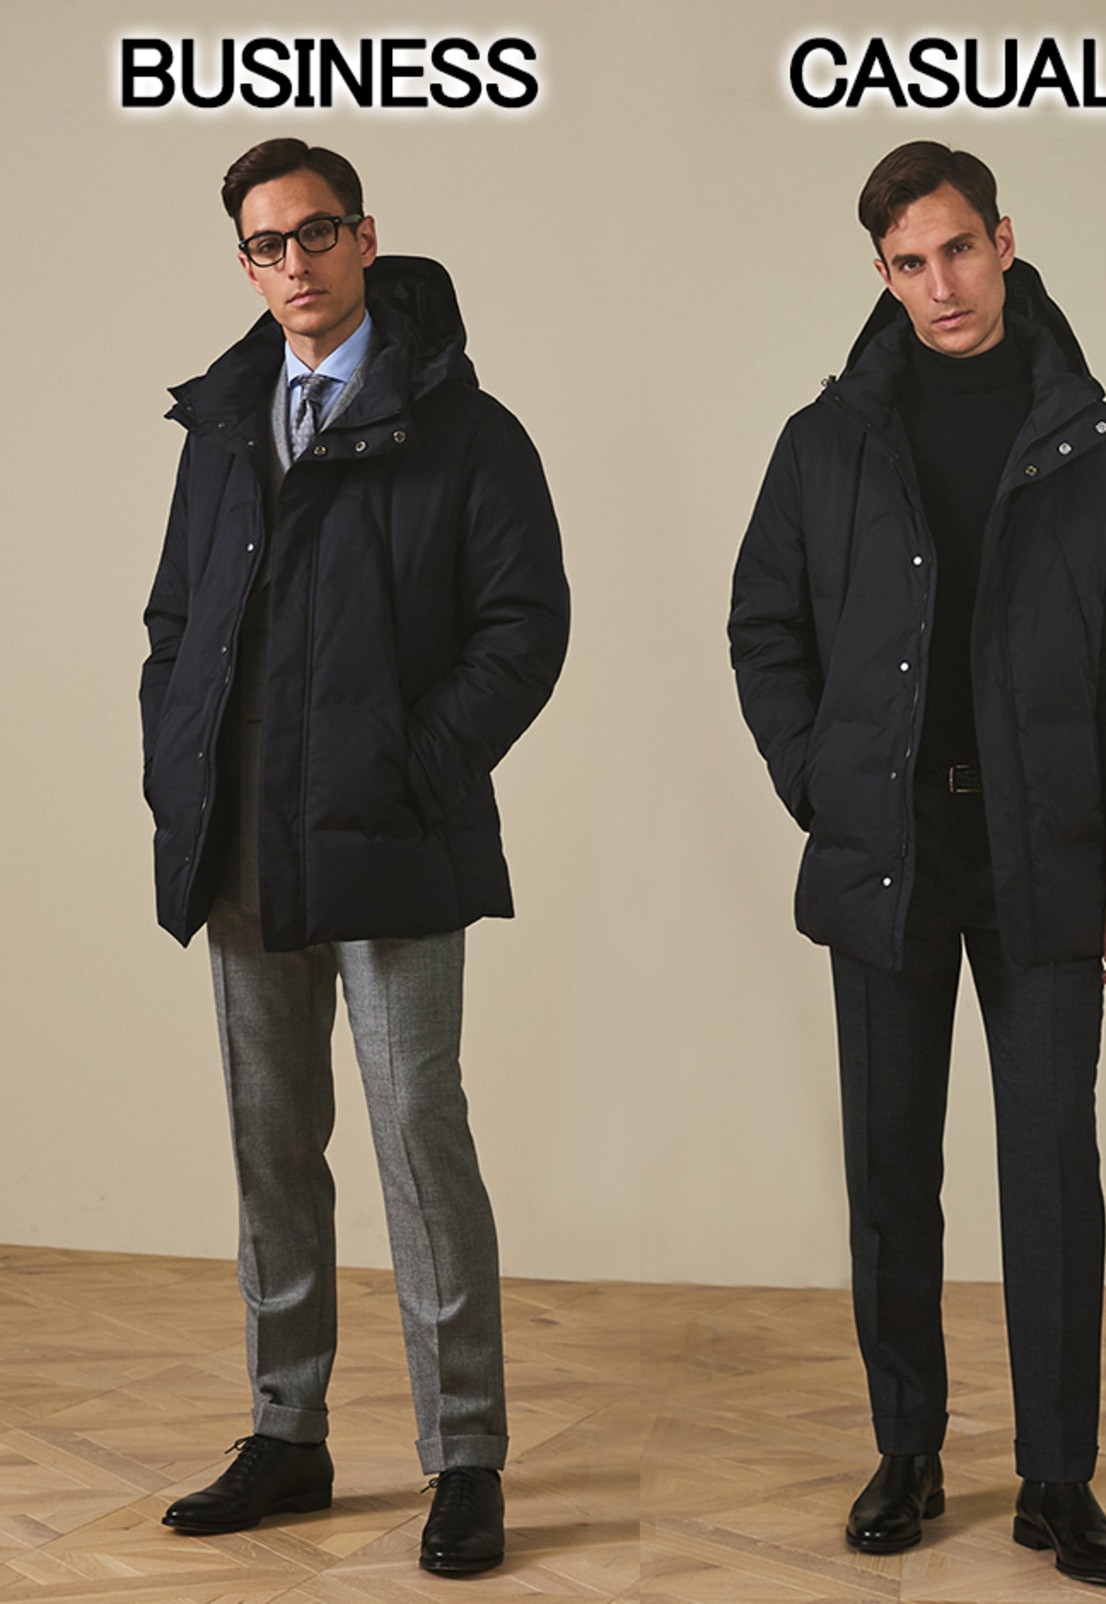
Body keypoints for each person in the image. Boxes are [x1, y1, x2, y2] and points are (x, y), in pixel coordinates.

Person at [729, 141, 1106, 1588]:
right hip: (890, 857)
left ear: (1004, 241)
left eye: (960, 250)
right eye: (910, 263)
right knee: (889, 1166)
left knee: (1052, 1166)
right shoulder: (827, 442)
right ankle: (909, 1449)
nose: (942, 285)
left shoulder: (1102, 448)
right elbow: (763, 626)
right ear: (882, 272)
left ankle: (1059, 1478)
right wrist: (821, 786)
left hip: (1048, 858)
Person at [140, 138, 569, 1576]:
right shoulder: (222, 426)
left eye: (317, 233)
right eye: (267, 245)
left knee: (418, 1142)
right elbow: (174, 625)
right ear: (245, 264)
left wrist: (410, 768)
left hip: (392, 845)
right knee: (271, 1147)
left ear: (365, 238)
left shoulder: (467, 430)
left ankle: (466, 1456)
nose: (296, 264)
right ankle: (287, 1433)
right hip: (243, 848)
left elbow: (525, 627)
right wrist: (179, 772)